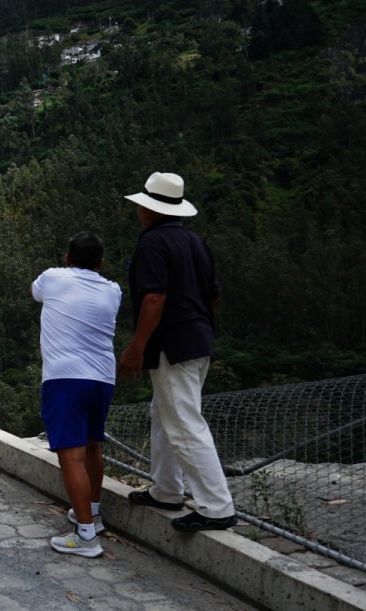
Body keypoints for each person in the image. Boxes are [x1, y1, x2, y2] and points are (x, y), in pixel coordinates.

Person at [119, 172, 237, 532]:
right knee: (164, 413)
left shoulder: (152, 244)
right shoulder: (195, 242)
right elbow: (213, 295)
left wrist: (137, 347)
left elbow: (154, 297)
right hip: (198, 339)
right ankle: (167, 489)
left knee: (184, 421)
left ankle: (216, 508)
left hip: (172, 343)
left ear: (149, 210)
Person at [32, 232, 122, 558]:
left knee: (70, 455)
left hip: (65, 378)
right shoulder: (113, 290)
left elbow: (36, 294)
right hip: (102, 378)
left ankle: (85, 537)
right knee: (92, 446)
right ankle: (93, 516)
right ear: (101, 262)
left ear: (67, 257)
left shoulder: (52, 277)